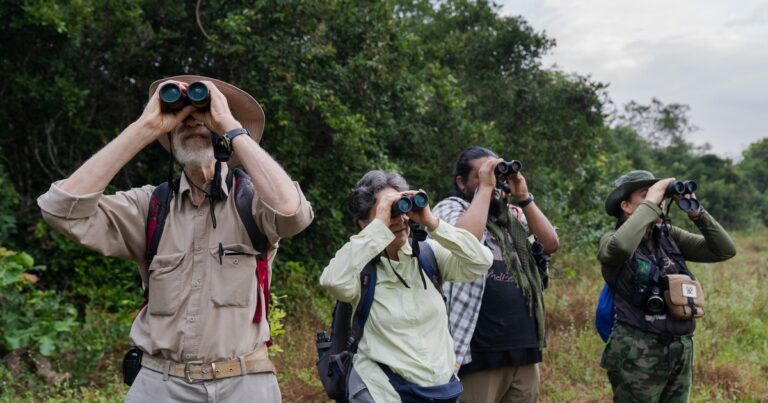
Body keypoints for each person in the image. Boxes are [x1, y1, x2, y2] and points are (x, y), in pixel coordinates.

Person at [37, 75, 314, 402]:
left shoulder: (253, 203)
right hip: (160, 383)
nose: (192, 119)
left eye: (202, 112)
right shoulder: (150, 207)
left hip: (244, 383)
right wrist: (146, 126)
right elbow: (61, 209)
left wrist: (227, 122)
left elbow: (292, 213)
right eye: (181, 117)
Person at [320, 170, 493, 402]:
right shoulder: (360, 267)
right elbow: (332, 280)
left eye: (401, 208)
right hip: (384, 391)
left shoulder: (429, 255)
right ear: (364, 223)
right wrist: (378, 230)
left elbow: (481, 261)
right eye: (388, 211)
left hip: (440, 391)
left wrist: (433, 222)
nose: (400, 219)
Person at [431, 146, 559, 403]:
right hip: (476, 353)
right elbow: (466, 241)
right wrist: (486, 189)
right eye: (481, 174)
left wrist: (523, 196)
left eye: (496, 174)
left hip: (523, 350)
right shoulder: (449, 209)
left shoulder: (513, 217)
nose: (494, 181)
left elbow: (550, 243)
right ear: (461, 182)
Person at [598, 170, 736, 402]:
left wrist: (696, 211)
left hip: (679, 347)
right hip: (637, 350)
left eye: (658, 196)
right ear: (626, 206)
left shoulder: (668, 236)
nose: (657, 200)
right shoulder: (611, 239)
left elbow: (724, 250)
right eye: (646, 195)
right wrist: (654, 199)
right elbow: (621, 248)